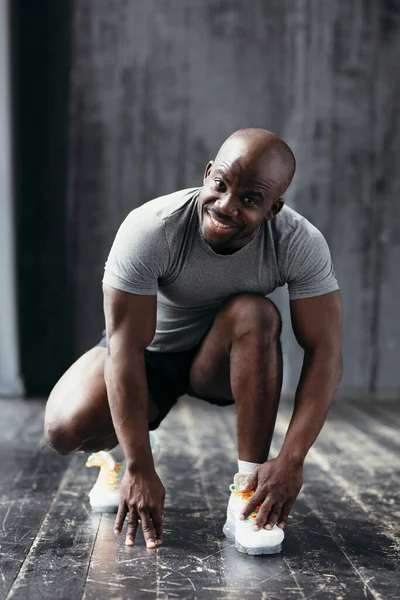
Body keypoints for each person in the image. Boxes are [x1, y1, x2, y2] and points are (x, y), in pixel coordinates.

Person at [44, 128, 343, 555]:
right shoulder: (151, 227)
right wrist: (138, 464)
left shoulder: (299, 242)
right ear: (207, 174)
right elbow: (125, 348)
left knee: (256, 314)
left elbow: (326, 352)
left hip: (219, 362)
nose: (226, 205)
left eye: (250, 199)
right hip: (147, 354)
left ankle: (247, 490)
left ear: (274, 208)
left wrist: (291, 460)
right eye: (221, 185)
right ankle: (127, 447)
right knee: (63, 430)